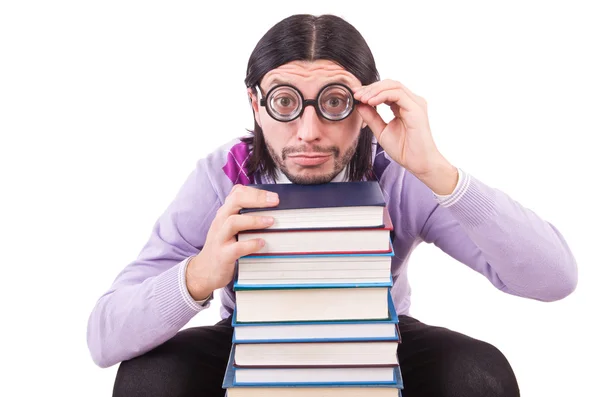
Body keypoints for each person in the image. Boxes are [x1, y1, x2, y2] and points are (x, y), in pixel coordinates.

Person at [87, 14, 578, 397]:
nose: (308, 132)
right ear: (255, 105)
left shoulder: (402, 176)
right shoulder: (222, 177)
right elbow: (104, 337)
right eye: (284, 103)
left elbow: (554, 279)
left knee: (479, 376)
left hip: (383, 338)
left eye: (334, 102)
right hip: (247, 340)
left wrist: (439, 172)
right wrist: (197, 276)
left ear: (366, 107)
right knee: (150, 380)